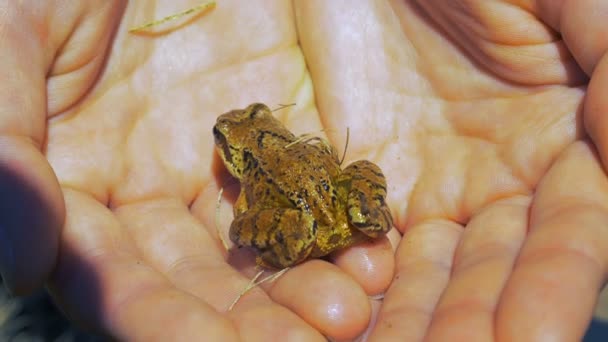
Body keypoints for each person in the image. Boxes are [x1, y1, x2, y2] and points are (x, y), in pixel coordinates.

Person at [1, 1, 607, 340]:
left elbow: (247, 211)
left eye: (232, 137)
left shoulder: (244, 172)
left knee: (244, 230)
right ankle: (367, 222)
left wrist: (240, 229)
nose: (228, 142)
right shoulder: (283, 145)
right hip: (340, 205)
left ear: (240, 152)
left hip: (307, 219)